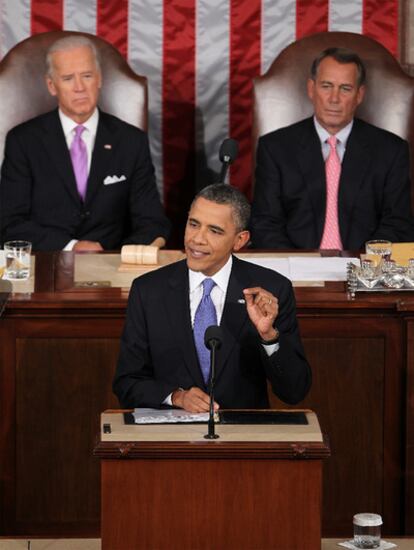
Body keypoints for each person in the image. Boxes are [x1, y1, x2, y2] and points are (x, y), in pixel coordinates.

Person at [113, 183, 311, 412]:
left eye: (214, 231)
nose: (197, 239)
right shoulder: (148, 290)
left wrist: (269, 336)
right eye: (193, 224)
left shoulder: (271, 290)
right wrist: (176, 397)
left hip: (241, 438)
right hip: (171, 439)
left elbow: (295, 391)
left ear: (240, 240)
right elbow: (126, 384)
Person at [0, 35, 170, 251]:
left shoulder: (130, 141)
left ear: (99, 79)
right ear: (52, 86)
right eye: (68, 78)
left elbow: (152, 221)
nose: (79, 87)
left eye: (87, 76)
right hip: (46, 263)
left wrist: (119, 257)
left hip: (113, 266)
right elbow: (9, 222)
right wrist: (71, 246)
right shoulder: (23, 141)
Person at [251, 47, 414, 250]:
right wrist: (298, 266)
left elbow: (398, 224)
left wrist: (363, 266)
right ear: (311, 89)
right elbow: (265, 224)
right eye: (326, 86)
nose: (334, 98)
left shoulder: (391, 150)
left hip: (366, 271)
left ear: (359, 95)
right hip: (295, 271)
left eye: (345, 88)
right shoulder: (275, 148)